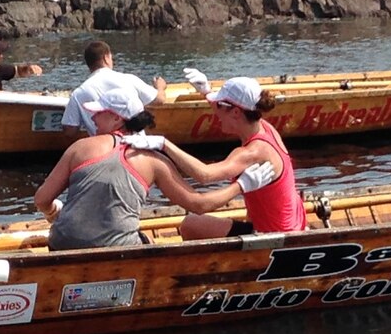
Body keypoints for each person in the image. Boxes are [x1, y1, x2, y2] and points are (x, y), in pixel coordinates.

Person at [35, 88, 276, 250]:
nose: (93, 119)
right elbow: (199, 205)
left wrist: (55, 212)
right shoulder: (153, 161)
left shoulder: (80, 147)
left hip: (61, 245)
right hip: (117, 251)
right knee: (146, 241)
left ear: (117, 119)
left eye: (99, 113)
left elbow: (41, 199)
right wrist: (240, 186)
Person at [123, 75, 307, 239]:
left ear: (236, 113)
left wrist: (164, 144)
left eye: (220, 106)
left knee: (191, 225)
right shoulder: (265, 127)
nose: (216, 113)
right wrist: (207, 92)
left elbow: (204, 175)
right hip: (294, 224)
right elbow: (231, 109)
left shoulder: (251, 153)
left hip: (276, 237)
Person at [61, 40, 166, 137]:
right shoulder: (128, 79)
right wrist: (160, 86)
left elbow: (70, 131)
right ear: (106, 58)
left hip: (102, 148)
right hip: (136, 144)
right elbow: (159, 99)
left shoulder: (78, 93)